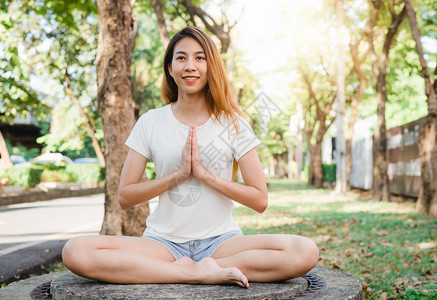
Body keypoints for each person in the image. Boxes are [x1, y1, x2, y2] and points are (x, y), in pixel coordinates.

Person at [62, 27, 319, 288]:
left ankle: (201, 267)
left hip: (221, 241)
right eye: (181, 58)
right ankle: (195, 273)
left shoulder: (234, 124)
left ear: (211, 66)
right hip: (162, 243)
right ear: (170, 68)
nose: (190, 66)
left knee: (304, 250)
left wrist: (206, 176)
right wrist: (178, 175)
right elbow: (126, 196)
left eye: (199, 58)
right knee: (76, 251)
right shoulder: (151, 121)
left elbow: (260, 199)